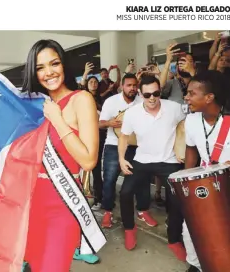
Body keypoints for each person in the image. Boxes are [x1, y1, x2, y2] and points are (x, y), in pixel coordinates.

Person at [20, 39, 100, 272]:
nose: (49, 72)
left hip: (62, 203)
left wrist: (57, 119)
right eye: (40, 67)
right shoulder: (33, 105)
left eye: (54, 63)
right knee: (34, 265)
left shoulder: (81, 99)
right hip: (31, 202)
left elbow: (88, 160)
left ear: (64, 64)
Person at [118, 75, 186, 261]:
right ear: (140, 94)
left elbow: (185, 122)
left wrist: (181, 144)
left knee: (176, 199)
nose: (152, 98)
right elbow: (124, 137)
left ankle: (173, 239)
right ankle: (130, 229)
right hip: (142, 160)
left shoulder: (173, 108)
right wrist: (122, 159)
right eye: (147, 95)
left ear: (160, 91)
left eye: (156, 93)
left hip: (169, 160)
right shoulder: (132, 113)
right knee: (125, 192)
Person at [183, 70, 230, 272]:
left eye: (192, 93)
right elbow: (191, 151)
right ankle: (195, 265)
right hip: (204, 184)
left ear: (209, 97)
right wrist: (186, 185)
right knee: (191, 228)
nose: (186, 97)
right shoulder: (192, 121)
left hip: (226, 184)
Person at [99, 73, 155, 228]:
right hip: (113, 144)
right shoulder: (111, 101)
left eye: (134, 85)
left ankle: (143, 210)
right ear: (122, 86)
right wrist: (109, 122)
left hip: (137, 146)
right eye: (129, 85)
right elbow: (99, 123)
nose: (132, 88)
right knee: (109, 180)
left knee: (142, 179)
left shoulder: (142, 101)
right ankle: (108, 211)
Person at [84, 76, 105, 211]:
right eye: (91, 82)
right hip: (86, 135)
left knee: (97, 167)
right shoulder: (83, 98)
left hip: (100, 135)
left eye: (95, 82)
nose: (94, 84)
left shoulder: (102, 100)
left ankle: (99, 197)